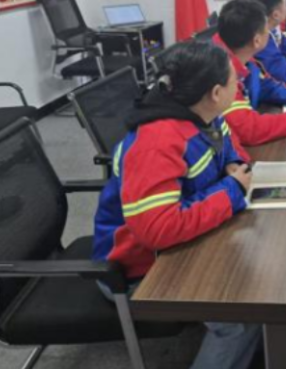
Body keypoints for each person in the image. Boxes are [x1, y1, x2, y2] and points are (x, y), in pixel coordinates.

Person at [92, 39, 261, 369]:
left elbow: (231, 148)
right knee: (240, 317)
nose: (239, 84)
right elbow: (158, 230)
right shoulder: (157, 143)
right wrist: (230, 190)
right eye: (234, 81)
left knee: (254, 279)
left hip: (180, 246)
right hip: (139, 270)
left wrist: (233, 165)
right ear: (216, 92)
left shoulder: (205, 114)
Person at [212, 0, 286, 147]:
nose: (270, 32)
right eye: (267, 29)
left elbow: (265, 83)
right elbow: (250, 130)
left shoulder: (240, 52)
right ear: (257, 41)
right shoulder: (219, 73)